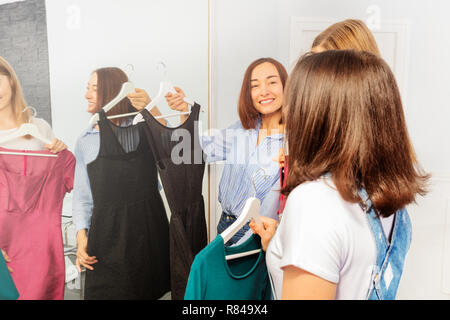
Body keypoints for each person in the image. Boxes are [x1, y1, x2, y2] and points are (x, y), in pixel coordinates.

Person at [251, 50, 429, 300]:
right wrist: (282, 244)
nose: (288, 113)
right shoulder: (390, 201)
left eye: (295, 102)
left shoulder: (313, 202)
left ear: (317, 116)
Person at [166, 57, 288, 246]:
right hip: (226, 225)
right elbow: (195, 151)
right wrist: (185, 112)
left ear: (286, 87)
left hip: (261, 234)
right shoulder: (242, 129)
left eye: (272, 82)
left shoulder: (293, 142)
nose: (264, 91)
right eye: (255, 86)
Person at [72, 67, 166, 273]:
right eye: (87, 88)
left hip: (148, 228)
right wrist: (81, 237)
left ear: (113, 91)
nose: (86, 94)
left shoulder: (142, 127)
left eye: (94, 89)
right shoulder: (85, 140)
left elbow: (174, 149)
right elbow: (82, 196)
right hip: (107, 232)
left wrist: (152, 109)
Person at [0, 56, 67, 274]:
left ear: (10, 79)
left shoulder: (40, 128)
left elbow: (57, 177)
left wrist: (59, 150)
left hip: (37, 244)